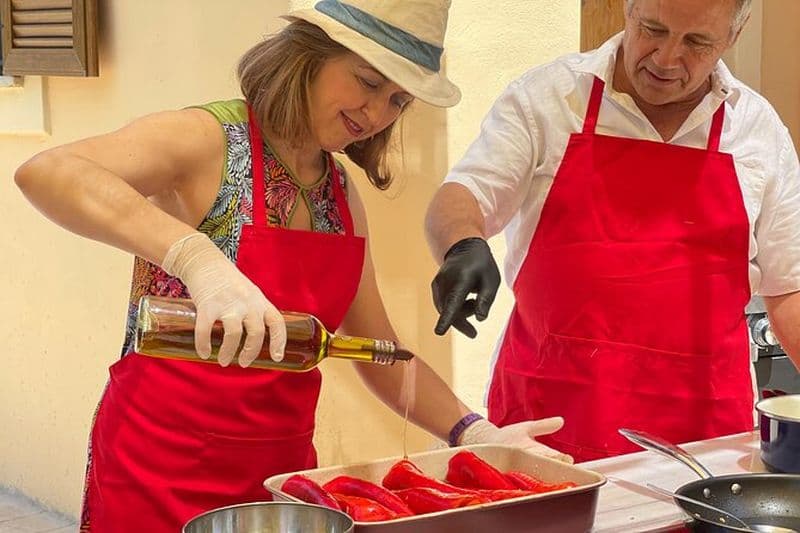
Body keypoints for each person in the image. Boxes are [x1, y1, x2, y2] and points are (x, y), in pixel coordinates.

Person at [15, 1, 570, 531]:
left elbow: (379, 350)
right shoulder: (207, 140)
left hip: (281, 481)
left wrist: (473, 432)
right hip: (158, 469)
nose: (376, 114)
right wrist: (198, 259)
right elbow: (49, 172)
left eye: (398, 101)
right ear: (309, 53)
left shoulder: (340, 196)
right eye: (369, 82)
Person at [425, 0, 800, 464]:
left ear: (732, 37)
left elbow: (790, 288)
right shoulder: (550, 98)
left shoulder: (757, 130)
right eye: (652, 29)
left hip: (706, 446)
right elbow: (465, 193)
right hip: (549, 432)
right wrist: (463, 243)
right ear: (628, 8)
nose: (665, 59)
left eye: (697, 43)